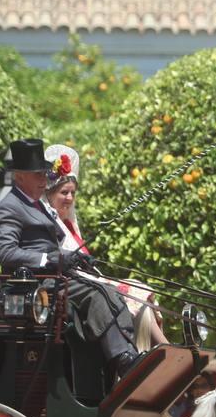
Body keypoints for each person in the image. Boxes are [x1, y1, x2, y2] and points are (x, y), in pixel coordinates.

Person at [0, 139, 142, 377]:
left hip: (55, 275)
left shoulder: (36, 205)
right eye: (38, 174)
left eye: (45, 173)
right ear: (19, 176)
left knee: (109, 291)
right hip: (36, 283)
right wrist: (48, 260)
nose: (44, 179)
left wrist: (74, 257)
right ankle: (121, 359)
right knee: (97, 294)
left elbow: (51, 246)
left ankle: (126, 353)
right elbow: (7, 253)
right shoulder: (9, 207)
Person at [43, 145, 169, 349]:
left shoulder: (70, 224)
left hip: (87, 277)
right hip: (73, 282)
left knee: (140, 288)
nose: (69, 198)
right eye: (64, 193)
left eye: (73, 193)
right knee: (136, 292)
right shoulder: (49, 223)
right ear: (50, 195)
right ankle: (163, 349)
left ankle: (160, 349)